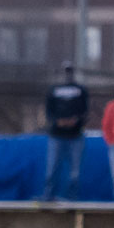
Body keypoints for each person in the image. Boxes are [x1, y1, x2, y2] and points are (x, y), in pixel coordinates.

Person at [42, 62, 89, 202]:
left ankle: (72, 198)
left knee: (75, 172)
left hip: (75, 136)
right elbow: (48, 111)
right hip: (56, 136)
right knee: (52, 169)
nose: (67, 75)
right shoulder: (53, 89)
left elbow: (84, 111)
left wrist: (75, 121)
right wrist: (58, 121)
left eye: (69, 72)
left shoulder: (80, 89)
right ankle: (48, 196)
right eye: (65, 72)